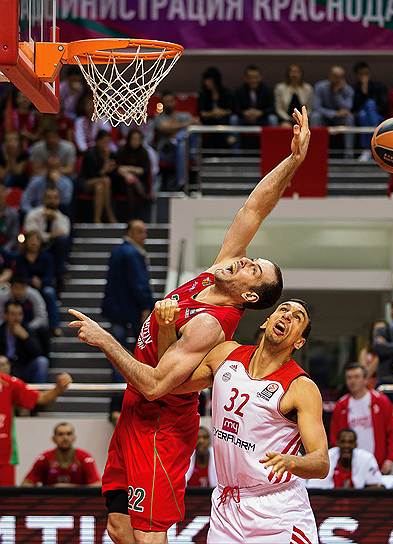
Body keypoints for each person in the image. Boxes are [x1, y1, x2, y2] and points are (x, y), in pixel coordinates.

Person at [68, 107, 311, 544]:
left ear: (249, 296)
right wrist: (292, 161)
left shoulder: (212, 326)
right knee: (119, 525)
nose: (243, 260)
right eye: (251, 258)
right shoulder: (219, 270)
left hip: (160, 423)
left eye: (252, 269)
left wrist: (107, 341)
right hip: (134, 411)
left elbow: (157, 385)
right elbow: (255, 209)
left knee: (148, 532)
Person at [163, 298, 328, 543]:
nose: (287, 316)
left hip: (277, 508)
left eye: (297, 317)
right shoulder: (225, 354)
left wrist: (293, 462)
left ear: (299, 342)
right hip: (226, 505)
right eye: (283, 309)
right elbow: (168, 383)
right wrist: (166, 328)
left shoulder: (301, 387)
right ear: (266, 321)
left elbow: (321, 462)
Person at [0, 360, 72, 486]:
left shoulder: (9, 384)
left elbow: (41, 398)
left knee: (5, 502)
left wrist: (58, 389)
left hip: (4, 457)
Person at [102, 220, 154, 381]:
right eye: (140, 232)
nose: (144, 236)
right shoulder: (132, 254)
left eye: (145, 232)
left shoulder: (118, 251)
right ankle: (126, 386)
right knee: (129, 350)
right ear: (130, 232)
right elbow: (139, 283)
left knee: (117, 350)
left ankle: (120, 384)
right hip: (129, 309)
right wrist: (146, 305)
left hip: (116, 308)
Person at [329, 363, 393, 473]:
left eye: (357, 377)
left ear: (365, 380)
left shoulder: (381, 402)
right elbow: (335, 438)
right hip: (349, 467)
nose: (352, 381)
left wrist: (390, 459)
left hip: (378, 465)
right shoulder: (341, 406)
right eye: (349, 378)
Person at [23, 421, 101, 487]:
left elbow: (97, 485)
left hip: (79, 502)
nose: (65, 438)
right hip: (50, 502)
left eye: (69, 434)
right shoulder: (44, 458)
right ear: (54, 439)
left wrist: (69, 488)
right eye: (60, 434)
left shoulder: (85, 458)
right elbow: (26, 484)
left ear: (74, 438)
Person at [23, 188, 71, 293]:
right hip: (35, 248)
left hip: (53, 250)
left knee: (63, 241)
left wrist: (55, 220)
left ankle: (59, 279)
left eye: (55, 198)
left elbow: (64, 233)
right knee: (31, 241)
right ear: (43, 199)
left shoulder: (63, 218)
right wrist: (48, 236)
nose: (52, 201)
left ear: (59, 200)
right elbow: (30, 232)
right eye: (49, 197)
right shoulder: (33, 214)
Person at [15, 231, 62, 336]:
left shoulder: (47, 257)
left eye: (36, 240)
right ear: (26, 242)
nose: (33, 242)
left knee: (49, 293)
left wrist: (41, 282)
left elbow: (50, 276)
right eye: (31, 240)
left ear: (40, 242)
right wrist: (31, 281)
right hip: (25, 286)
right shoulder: (20, 257)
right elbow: (19, 275)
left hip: (43, 286)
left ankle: (54, 326)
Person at [307, 428, 382, 489]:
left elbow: (375, 486)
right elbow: (314, 487)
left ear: (355, 444)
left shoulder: (367, 458)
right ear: (337, 443)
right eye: (343, 442)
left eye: (350, 442)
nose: (346, 445)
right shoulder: (327, 457)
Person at [155, 91, 198, 191]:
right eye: (166, 102)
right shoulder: (159, 118)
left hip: (185, 150)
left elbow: (197, 124)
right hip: (167, 151)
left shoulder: (184, 115)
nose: (169, 104)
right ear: (162, 103)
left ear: (175, 102)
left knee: (182, 144)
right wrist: (185, 125)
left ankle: (176, 139)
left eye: (171, 101)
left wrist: (174, 130)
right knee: (183, 139)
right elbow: (164, 128)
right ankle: (182, 182)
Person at [0, 301, 49, 383]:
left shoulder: (28, 329)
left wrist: (26, 338)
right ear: (6, 315)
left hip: (23, 368)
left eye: (20, 314)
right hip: (3, 367)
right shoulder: (1, 330)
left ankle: (40, 394)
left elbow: (38, 352)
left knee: (42, 362)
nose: (17, 318)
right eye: (13, 314)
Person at [311, 65, 355, 157]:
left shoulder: (348, 90)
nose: (337, 79)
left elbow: (347, 108)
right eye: (335, 76)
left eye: (340, 77)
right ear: (330, 76)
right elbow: (316, 107)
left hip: (340, 119)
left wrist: (337, 93)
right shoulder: (320, 87)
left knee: (350, 118)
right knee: (315, 116)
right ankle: (314, 150)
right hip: (324, 117)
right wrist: (334, 114)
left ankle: (349, 153)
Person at [78, 130, 118, 223]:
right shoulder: (90, 153)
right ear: (98, 141)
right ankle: (109, 213)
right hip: (86, 182)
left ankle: (97, 219)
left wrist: (109, 165)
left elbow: (114, 174)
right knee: (105, 181)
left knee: (100, 187)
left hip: (100, 185)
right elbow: (92, 174)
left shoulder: (111, 154)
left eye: (108, 142)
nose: (106, 145)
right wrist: (105, 168)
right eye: (104, 142)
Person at [352, 61, 387, 161]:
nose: (364, 76)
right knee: (363, 115)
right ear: (357, 75)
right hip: (361, 117)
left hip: (378, 116)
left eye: (366, 73)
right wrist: (364, 91)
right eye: (361, 74)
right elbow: (354, 107)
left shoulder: (378, 86)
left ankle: (367, 149)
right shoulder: (354, 89)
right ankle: (372, 147)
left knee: (370, 104)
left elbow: (384, 106)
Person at [116, 129, 152, 218]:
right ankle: (144, 200)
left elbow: (144, 171)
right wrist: (130, 173)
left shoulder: (144, 152)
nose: (136, 142)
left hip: (140, 180)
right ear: (129, 139)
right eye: (134, 139)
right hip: (122, 181)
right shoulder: (122, 151)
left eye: (138, 139)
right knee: (130, 184)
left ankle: (131, 217)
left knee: (132, 186)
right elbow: (118, 168)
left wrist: (129, 169)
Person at [358, 319, 389, 389]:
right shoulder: (365, 352)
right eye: (377, 330)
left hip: (388, 387)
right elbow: (365, 375)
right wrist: (381, 352)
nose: (380, 333)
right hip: (371, 389)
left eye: (383, 330)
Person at [0, 183, 19, 252]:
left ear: (6, 194)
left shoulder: (13, 213)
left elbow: (14, 236)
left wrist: (5, 250)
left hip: (7, 249)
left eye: (1, 192)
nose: (0, 195)